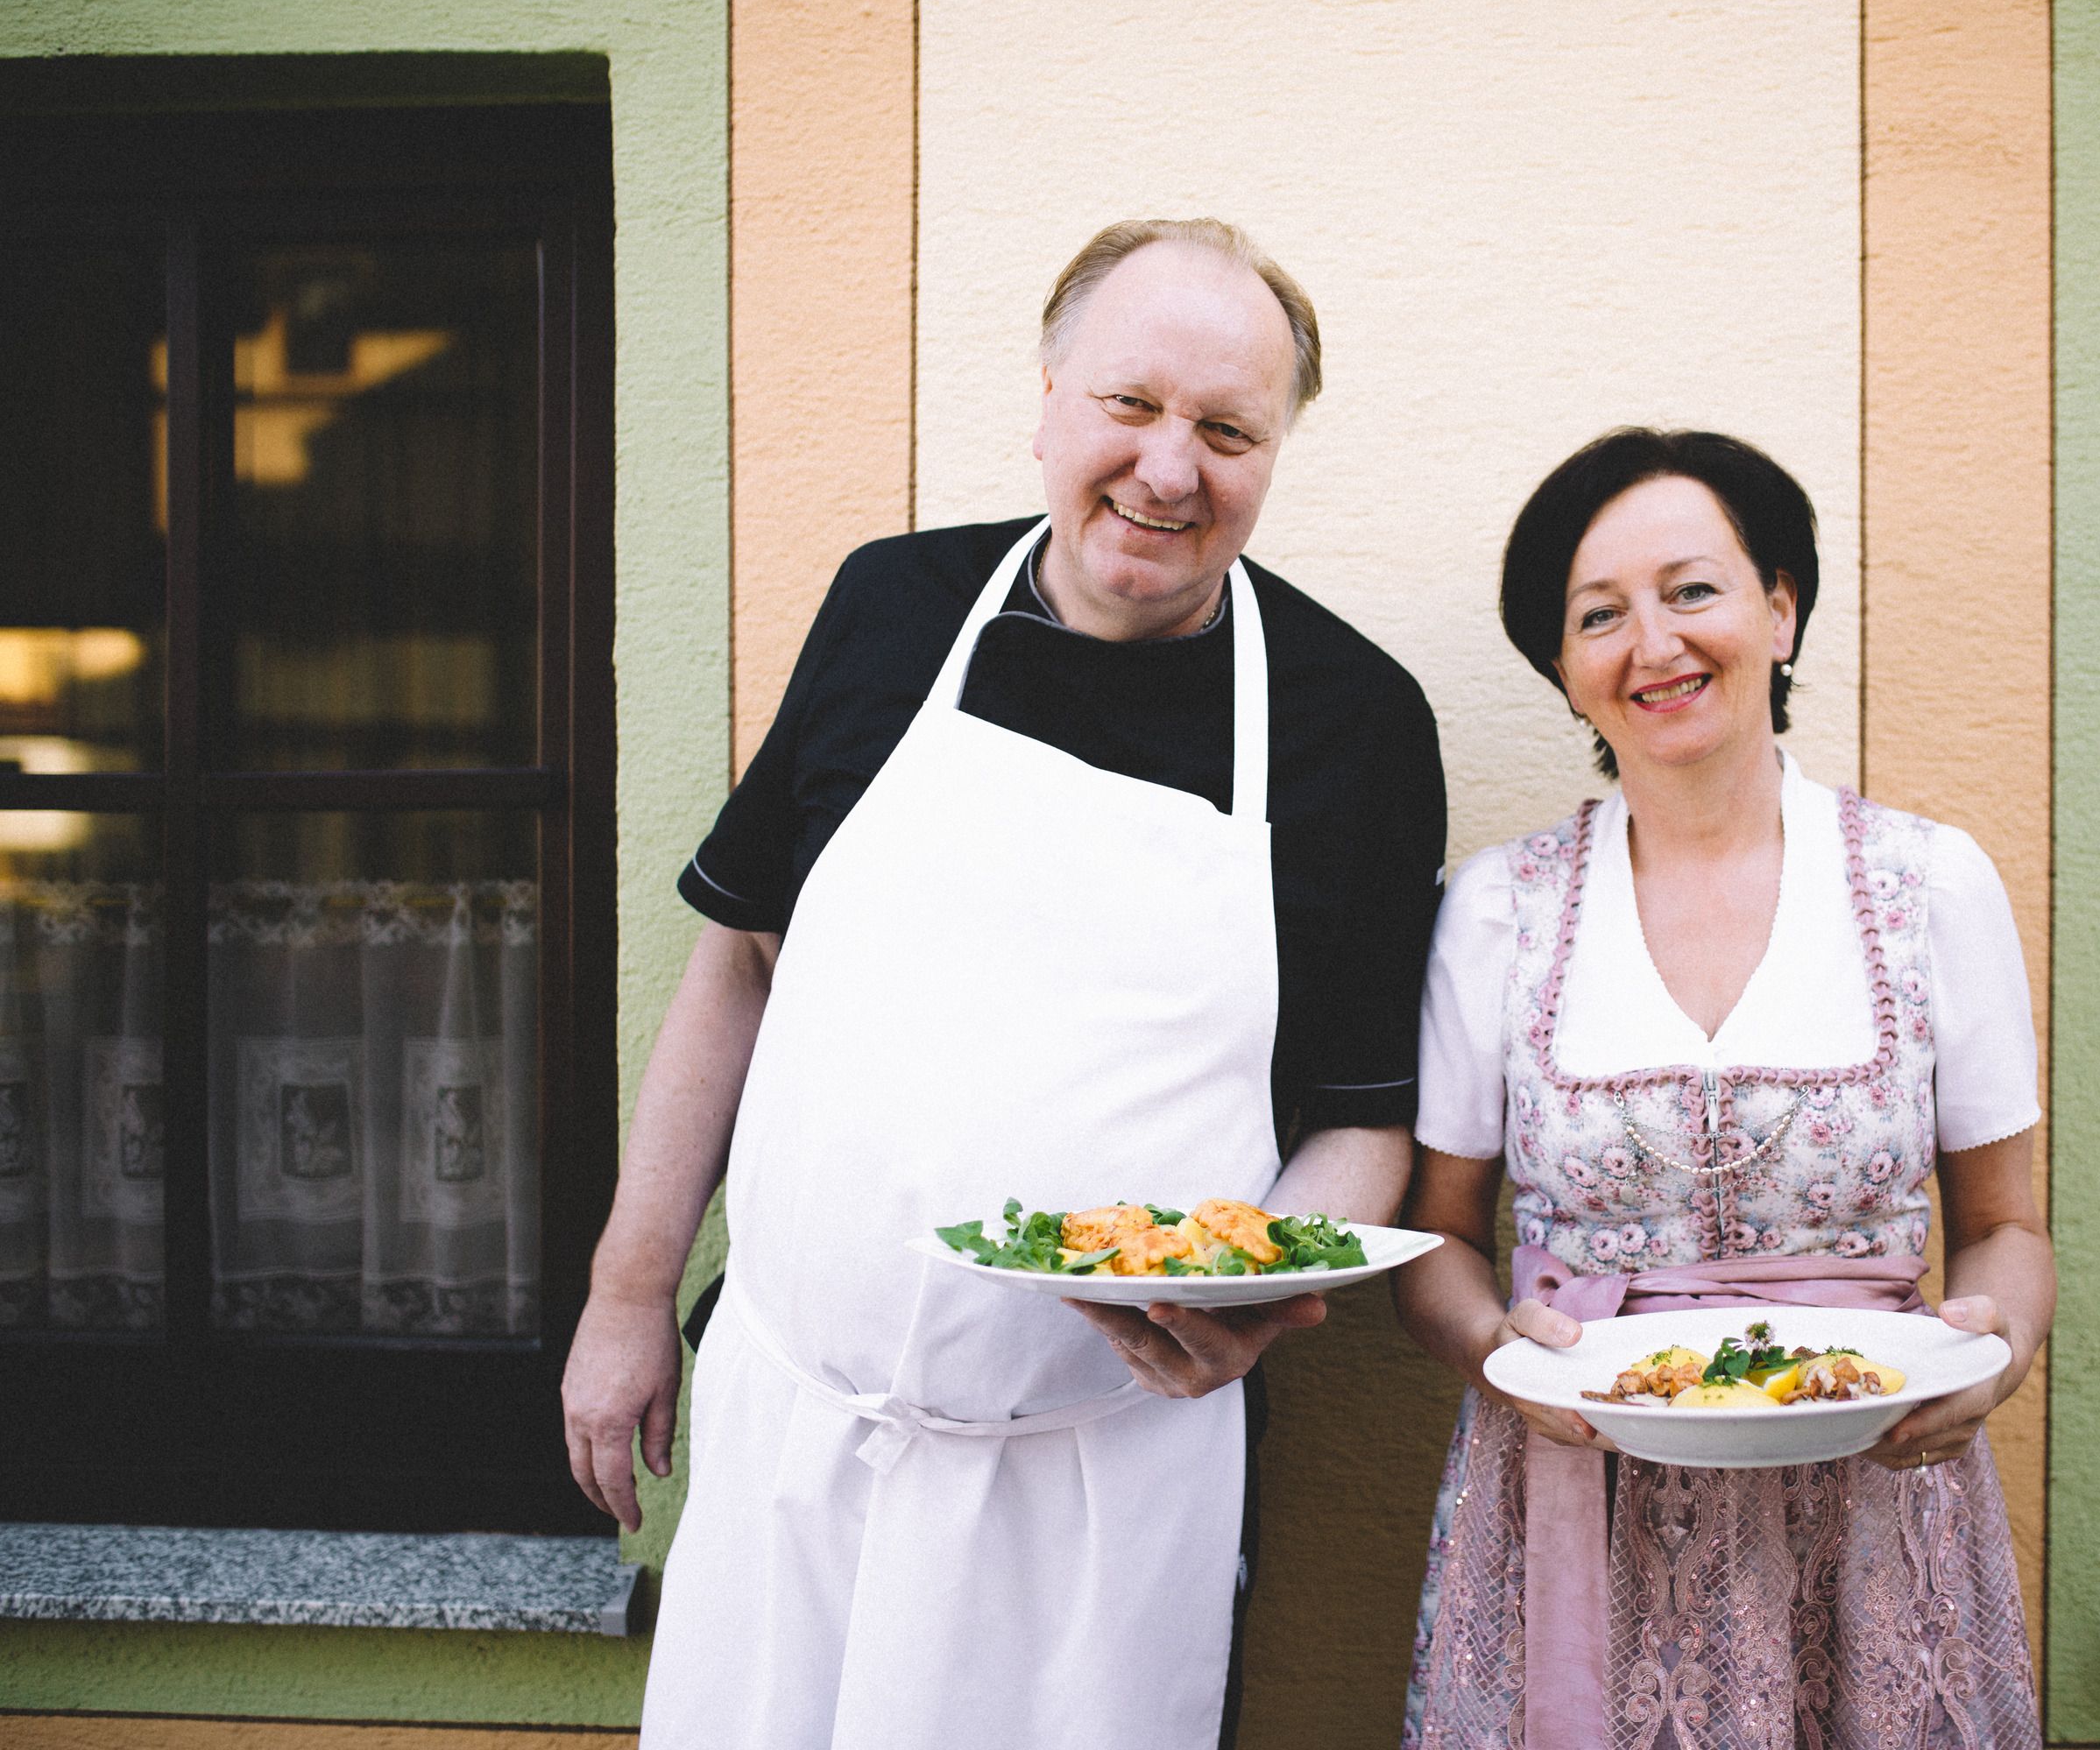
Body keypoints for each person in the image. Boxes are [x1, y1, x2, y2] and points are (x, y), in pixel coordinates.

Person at [562, 218, 1446, 1749]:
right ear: (1048, 397)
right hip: (794, 1441)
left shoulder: (1353, 722)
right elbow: (741, 964)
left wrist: (1266, 1286)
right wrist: (629, 1291)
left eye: (1229, 431)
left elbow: (1367, 1122)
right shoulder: (890, 609)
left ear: (1276, 453)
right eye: (1132, 405)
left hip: (1102, 1487)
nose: (1172, 470)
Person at [1394, 428, 2050, 1749]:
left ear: (1781, 607)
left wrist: (1994, 1357)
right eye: (1599, 615)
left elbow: (2010, 1227)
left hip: (1869, 1501)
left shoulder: (1931, 884)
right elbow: (1442, 1239)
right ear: (1567, 671)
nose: (1654, 644)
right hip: (1578, 1491)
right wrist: (1498, 1359)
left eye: (1692, 590)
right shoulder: (1497, 911)